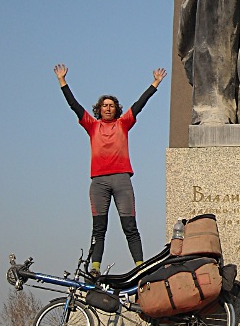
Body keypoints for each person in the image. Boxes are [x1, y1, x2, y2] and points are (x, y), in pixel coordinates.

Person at [54, 64, 167, 279]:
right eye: (104, 106)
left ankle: (140, 265)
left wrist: (155, 83)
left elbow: (139, 104)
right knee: (99, 227)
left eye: (111, 105)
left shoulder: (123, 124)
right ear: (99, 109)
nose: (108, 108)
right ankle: (95, 266)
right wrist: (62, 81)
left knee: (129, 225)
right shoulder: (92, 126)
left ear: (116, 109)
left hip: (122, 179)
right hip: (99, 183)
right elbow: (74, 105)